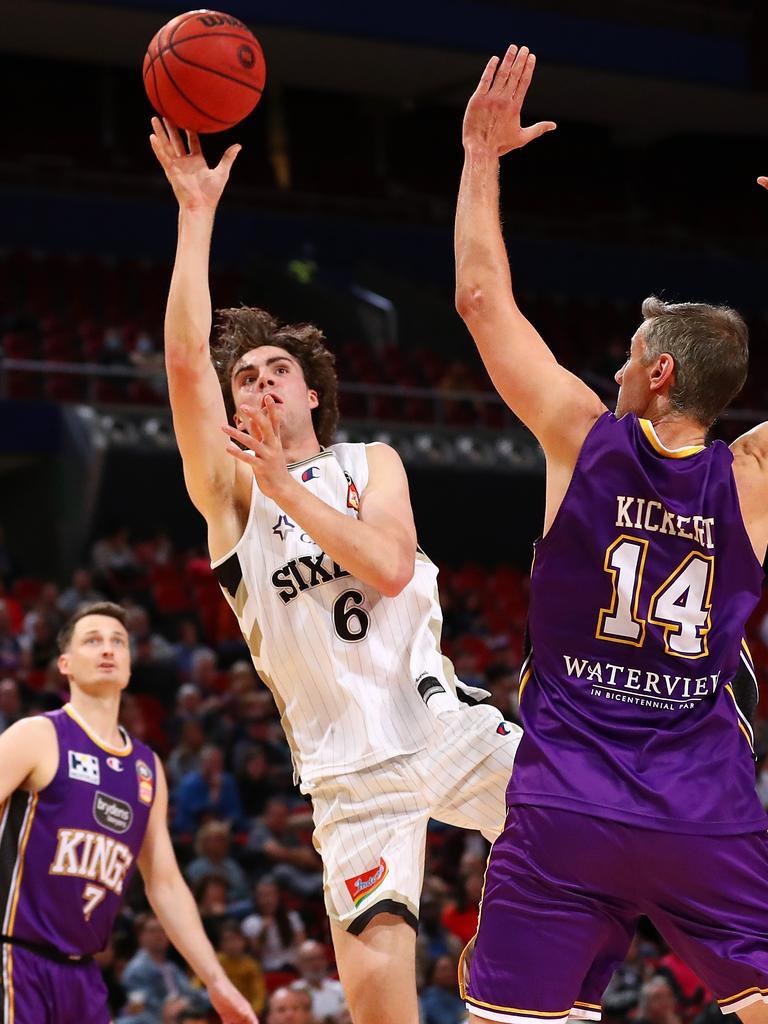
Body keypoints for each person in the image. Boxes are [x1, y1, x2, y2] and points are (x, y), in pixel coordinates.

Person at [150, 113, 522, 1024]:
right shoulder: (230, 498)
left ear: (311, 390)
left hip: (447, 729)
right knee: (377, 1001)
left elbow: (392, 566)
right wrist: (196, 213)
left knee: (617, 833)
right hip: (348, 774)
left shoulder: (370, 463)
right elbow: (185, 361)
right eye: (247, 379)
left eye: (278, 371)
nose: (261, 384)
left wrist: (294, 485)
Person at [454, 43, 768, 1024]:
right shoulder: (753, 481)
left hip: (565, 812)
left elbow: (479, 300)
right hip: (705, 817)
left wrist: (479, 157)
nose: (621, 364)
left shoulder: (580, 438)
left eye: (634, 352)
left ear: (662, 374)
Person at [0, 601, 256, 1023]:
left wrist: (215, 979)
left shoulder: (146, 767)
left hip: (84, 975)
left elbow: (166, 883)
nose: (108, 649)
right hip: (15, 959)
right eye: (93, 640)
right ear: (65, 664)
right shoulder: (38, 735)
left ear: (130, 666)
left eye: (118, 642)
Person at [290, 940, 346, 1022]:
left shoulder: (339, 988)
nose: (316, 964)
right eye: (310, 960)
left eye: (320, 958)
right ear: (300, 963)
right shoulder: (293, 993)